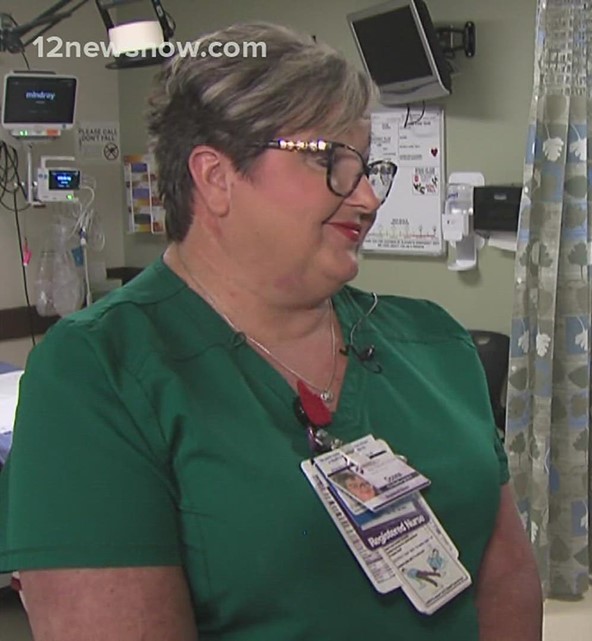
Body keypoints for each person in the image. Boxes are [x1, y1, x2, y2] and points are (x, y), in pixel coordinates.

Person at [0, 22, 542, 641]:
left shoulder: (435, 342)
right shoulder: (99, 372)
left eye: (367, 166)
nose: (367, 197)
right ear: (216, 176)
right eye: (331, 162)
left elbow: (506, 575)